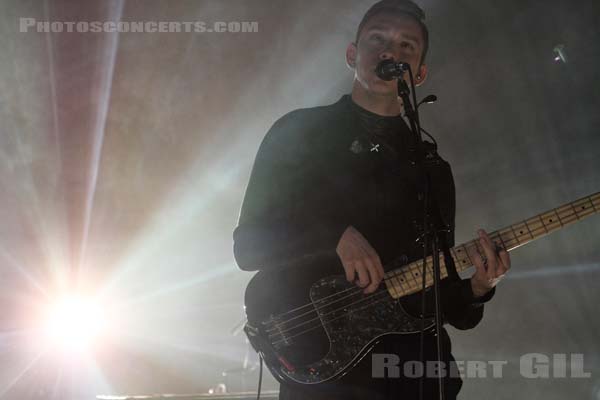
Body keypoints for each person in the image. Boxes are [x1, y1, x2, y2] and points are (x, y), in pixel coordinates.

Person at [233, 0, 511, 399]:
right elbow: (249, 246)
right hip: (327, 371)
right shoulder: (297, 133)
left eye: (406, 47)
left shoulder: (432, 168)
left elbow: (441, 300)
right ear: (352, 54)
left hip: (417, 375)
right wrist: (334, 236)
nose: (390, 52)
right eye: (377, 39)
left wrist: (480, 287)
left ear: (420, 71)